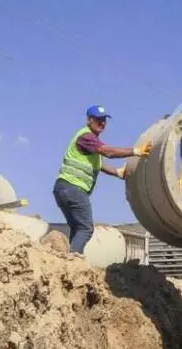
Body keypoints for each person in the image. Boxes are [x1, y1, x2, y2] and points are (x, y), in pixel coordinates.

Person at [54, 105, 152, 254]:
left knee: (78, 228)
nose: (102, 123)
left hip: (64, 189)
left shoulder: (92, 148)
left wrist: (118, 173)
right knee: (86, 228)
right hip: (74, 189)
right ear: (89, 120)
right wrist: (136, 151)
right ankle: (71, 260)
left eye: (104, 120)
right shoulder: (86, 137)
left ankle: (71, 260)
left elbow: (101, 165)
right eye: (98, 120)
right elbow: (108, 152)